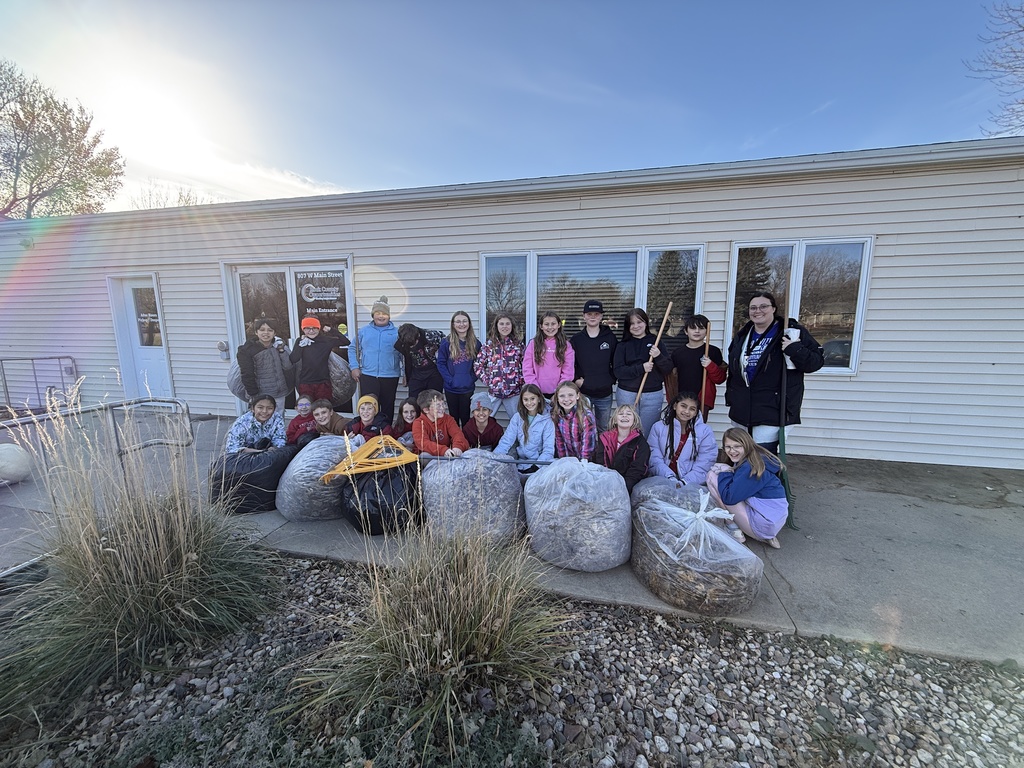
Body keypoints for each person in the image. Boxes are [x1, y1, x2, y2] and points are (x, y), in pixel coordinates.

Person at [725, 292, 824, 454]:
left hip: (772, 409)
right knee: (741, 456)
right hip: (742, 408)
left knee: (763, 457)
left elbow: (815, 362)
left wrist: (794, 349)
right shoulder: (743, 335)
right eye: (753, 308)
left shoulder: (791, 332)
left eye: (763, 306)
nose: (758, 311)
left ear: (773, 309)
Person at [706, 427, 787, 549]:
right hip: (773, 521)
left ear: (747, 445)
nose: (732, 451)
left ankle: (733, 528)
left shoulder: (751, 467)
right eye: (728, 447)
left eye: (737, 446)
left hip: (763, 525)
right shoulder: (758, 458)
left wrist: (725, 472)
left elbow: (729, 498)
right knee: (734, 487)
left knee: (712, 476)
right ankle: (766, 535)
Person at [613, 308, 673, 437]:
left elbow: (668, 368)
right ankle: (628, 456)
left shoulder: (656, 342)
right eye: (632, 323)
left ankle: (644, 456)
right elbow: (618, 371)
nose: (636, 326)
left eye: (639, 322)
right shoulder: (622, 345)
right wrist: (641, 368)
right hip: (627, 393)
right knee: (627, 430)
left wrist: (658, 356)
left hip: (652, 394)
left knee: (647, 431)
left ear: (645, 323)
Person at [647, 392, 717, 485]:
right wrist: (669, 477)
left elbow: (705, 463)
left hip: (692, 483)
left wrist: (685, 482)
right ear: (675, 406)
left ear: (696, 412)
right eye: (683, 406)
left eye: (692, 409)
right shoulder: (659, 427)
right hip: (662, 478)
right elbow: (654, 458)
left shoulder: (705, 432)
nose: (687, 411)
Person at [351, 296, 402, 424]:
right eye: (378, 313)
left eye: (384, 313)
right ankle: (368, 433)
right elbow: (353, 349)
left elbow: (404, 355)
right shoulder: (363, 332)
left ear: (389, 316)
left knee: (387, 407)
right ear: (373, 315)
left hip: (390, 376)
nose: (381, 316)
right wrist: (354, 367)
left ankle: (385, 433)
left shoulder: (397, 333)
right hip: (368, 375)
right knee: (368, 407)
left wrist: (406, 373)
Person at [570, 299, 617, 432]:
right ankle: (585, 453)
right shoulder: (576, 339)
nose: (593, 317)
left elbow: (616, 362)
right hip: (584, 393)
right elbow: (570, 364)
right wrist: (577, 381)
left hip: (604, 393)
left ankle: (602, 453)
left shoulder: (610, 338)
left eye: (596, 314)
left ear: (601, 316)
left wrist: (610, 379)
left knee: (603, 428)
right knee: (583, 427)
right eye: (589, 314)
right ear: (584, 316)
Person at [671, 314, 726, 422]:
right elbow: (672, 377)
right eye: (693, 328)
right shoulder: (677, 353)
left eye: (701, 328)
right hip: (681, 398)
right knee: (679, 429)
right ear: (686, 331)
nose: (697, 331)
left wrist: (710, 366)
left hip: (702, 398)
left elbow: (720, 379)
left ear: (707, 331)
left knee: (698, 430)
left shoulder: (713, 351)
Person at [236, 317, 293, 416]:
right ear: (256, 332)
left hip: (279, 392)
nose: (266, 333)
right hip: (262, 394)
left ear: (275, 333)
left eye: (270, 330)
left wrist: (281, 351)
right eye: (262, 330)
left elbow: (287, 366)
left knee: (278, 419)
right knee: (263, 419)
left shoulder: (277, 346)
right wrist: (253, 394)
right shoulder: (248, 350)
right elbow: (247, 373)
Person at [473, 312, 525, 420]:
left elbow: (526, 366)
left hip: (513, 393)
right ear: (496, 326)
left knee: (517, 422)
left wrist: (520, 380)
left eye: (507, 324)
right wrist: (489, 381)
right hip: (494, 393)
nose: (504, 326)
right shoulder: (489, 345)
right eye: (501, 324)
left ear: (512, 326)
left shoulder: (518, 345)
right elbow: (478, 365)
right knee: (485, 420)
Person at [495, 384, 555, 473]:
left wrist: (536, 467)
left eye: (532, 399)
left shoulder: (547, 420)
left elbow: (548, 449)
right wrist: (494, 458)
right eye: (526, 399)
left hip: (540, 464)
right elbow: (507, 440)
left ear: (539, 399)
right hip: (521, 462)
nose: (529, 403)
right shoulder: (517, 418)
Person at [289, 315, 350, 403]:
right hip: (306, 382)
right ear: (303, 329)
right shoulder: (301, 341)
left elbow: (346, 341)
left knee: (324, 408)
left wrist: (331, 330)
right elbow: (293, 359)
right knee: (307, 409)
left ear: (319, 328)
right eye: (307, 328)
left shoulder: (325, 341)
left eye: (314, 328)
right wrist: (300, 345)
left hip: (323, 382)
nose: (311, 331)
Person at [592, 404, 651, 493]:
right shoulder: (605, 438)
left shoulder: (640, 442)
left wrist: (624, 486)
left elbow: (638, 468)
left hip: (630, 485)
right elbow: (601, 462)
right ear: (615, 420)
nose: (624, 415)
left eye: (628, 414)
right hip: (607, 482)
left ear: (634, 420)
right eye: (621, 414)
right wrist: (609, 483)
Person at [436, 311, 481, 427]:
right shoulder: (446, 343)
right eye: (458, 321)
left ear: (469, 324)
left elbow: (480, 364)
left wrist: (471, 379)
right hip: (451, 388)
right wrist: (450, 380)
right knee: (453, 418)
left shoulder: (476, 343)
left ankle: (466, 443)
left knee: (466, 418)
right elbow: (441, 363)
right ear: (453, 324)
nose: (462, 324)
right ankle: (454, 443)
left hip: (467, 388)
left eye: (464, 321)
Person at [523, 311, 575, 399]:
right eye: (546, 324)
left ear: (559, 325)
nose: (550, 327)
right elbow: (527, 368)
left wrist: (559, 390)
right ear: (541, 326)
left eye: (553, 324)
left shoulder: (566, 345)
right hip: (536, 392)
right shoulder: (533, 344)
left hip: (559, 393)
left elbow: (568, 371)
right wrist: (535, 389)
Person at [412, 389, 469, 457]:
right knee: (425, 456)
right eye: (438, 405)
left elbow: (457, 434)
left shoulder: (448, 419)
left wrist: (457, 447)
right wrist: (442, 450)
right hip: (432, 454)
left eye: (443, 404)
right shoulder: (418, 423)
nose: (442, 408)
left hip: (448, 454)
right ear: (426, 410)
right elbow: (423, 443)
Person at [395, 323, 445, 400]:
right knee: (413, 401)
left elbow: (446, 343)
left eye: (414, 343)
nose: (411, 346)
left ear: (418, 335)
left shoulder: (431, 335)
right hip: (416, 375)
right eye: (409, 345)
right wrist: (405, 374)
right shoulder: (402, 341)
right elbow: (404, 358)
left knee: (434, 401)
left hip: (434, 373)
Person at [550, 380, 597, 461]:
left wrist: (582, 463)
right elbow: (560, 442)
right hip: (568, 460)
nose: (566, 399)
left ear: (578, 396)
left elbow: (587, 447)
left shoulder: (586, 416)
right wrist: (564, 461)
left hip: (585, 461)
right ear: (557, 398)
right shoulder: (556, 415)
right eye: (562, 396)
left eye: (570, 395)